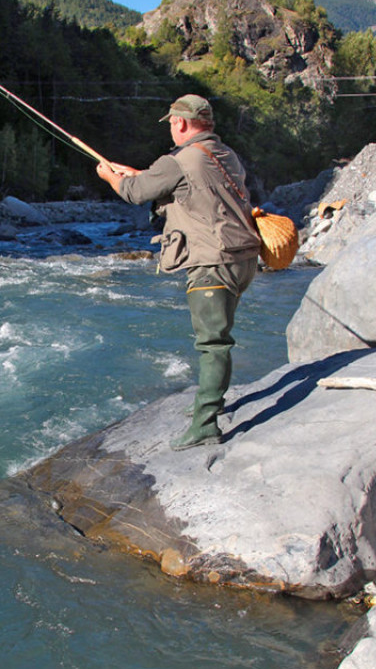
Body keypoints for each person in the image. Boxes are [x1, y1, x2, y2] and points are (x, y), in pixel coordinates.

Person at [96, 94, 261, 451]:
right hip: (244, 258)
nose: (170, 129)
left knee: (213, 344)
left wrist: (112, 177)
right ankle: (208, 403)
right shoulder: (225, 155)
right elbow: (185, 186)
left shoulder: (180, 158)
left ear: (181, 123)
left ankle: (205, 425)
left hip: (211, 262)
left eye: (171, 123)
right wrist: (140, 174)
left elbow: (135, 193)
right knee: (219, 338)